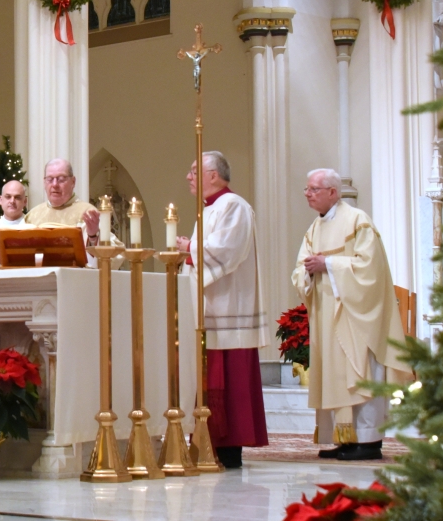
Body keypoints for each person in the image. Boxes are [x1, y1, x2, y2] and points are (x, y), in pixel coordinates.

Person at [291, 168, 410, 461]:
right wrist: (307, 272)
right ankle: (345, 439)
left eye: (314, 189)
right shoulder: (314, 229)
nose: (308, 194)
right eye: (306, 189)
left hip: (357, 314)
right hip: (327, 315)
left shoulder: (358, 221)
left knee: (360, 370)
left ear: (333, 192)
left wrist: (328, 265)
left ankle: (368, 441)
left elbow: (371, 269)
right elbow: (300, 268)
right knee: (336, 373)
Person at [175, 151, 268, 468]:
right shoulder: (212, 209)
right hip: (212, 306)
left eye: (193, 171)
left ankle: (227, 447)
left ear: (213, 174)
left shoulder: (233, 206)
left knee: (226, 378)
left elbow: (227, 252)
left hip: (228, 308)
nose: (188, 177)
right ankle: (208, 441)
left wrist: (190, 249)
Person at [0, 158, 122, 267]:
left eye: (61, 179)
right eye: (50, 179)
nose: (54, 185)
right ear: (44, 182)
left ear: (73, 182)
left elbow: (115, 256)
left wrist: (94, 236)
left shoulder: (88, 213)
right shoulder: (33, 215)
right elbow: (17, 255)